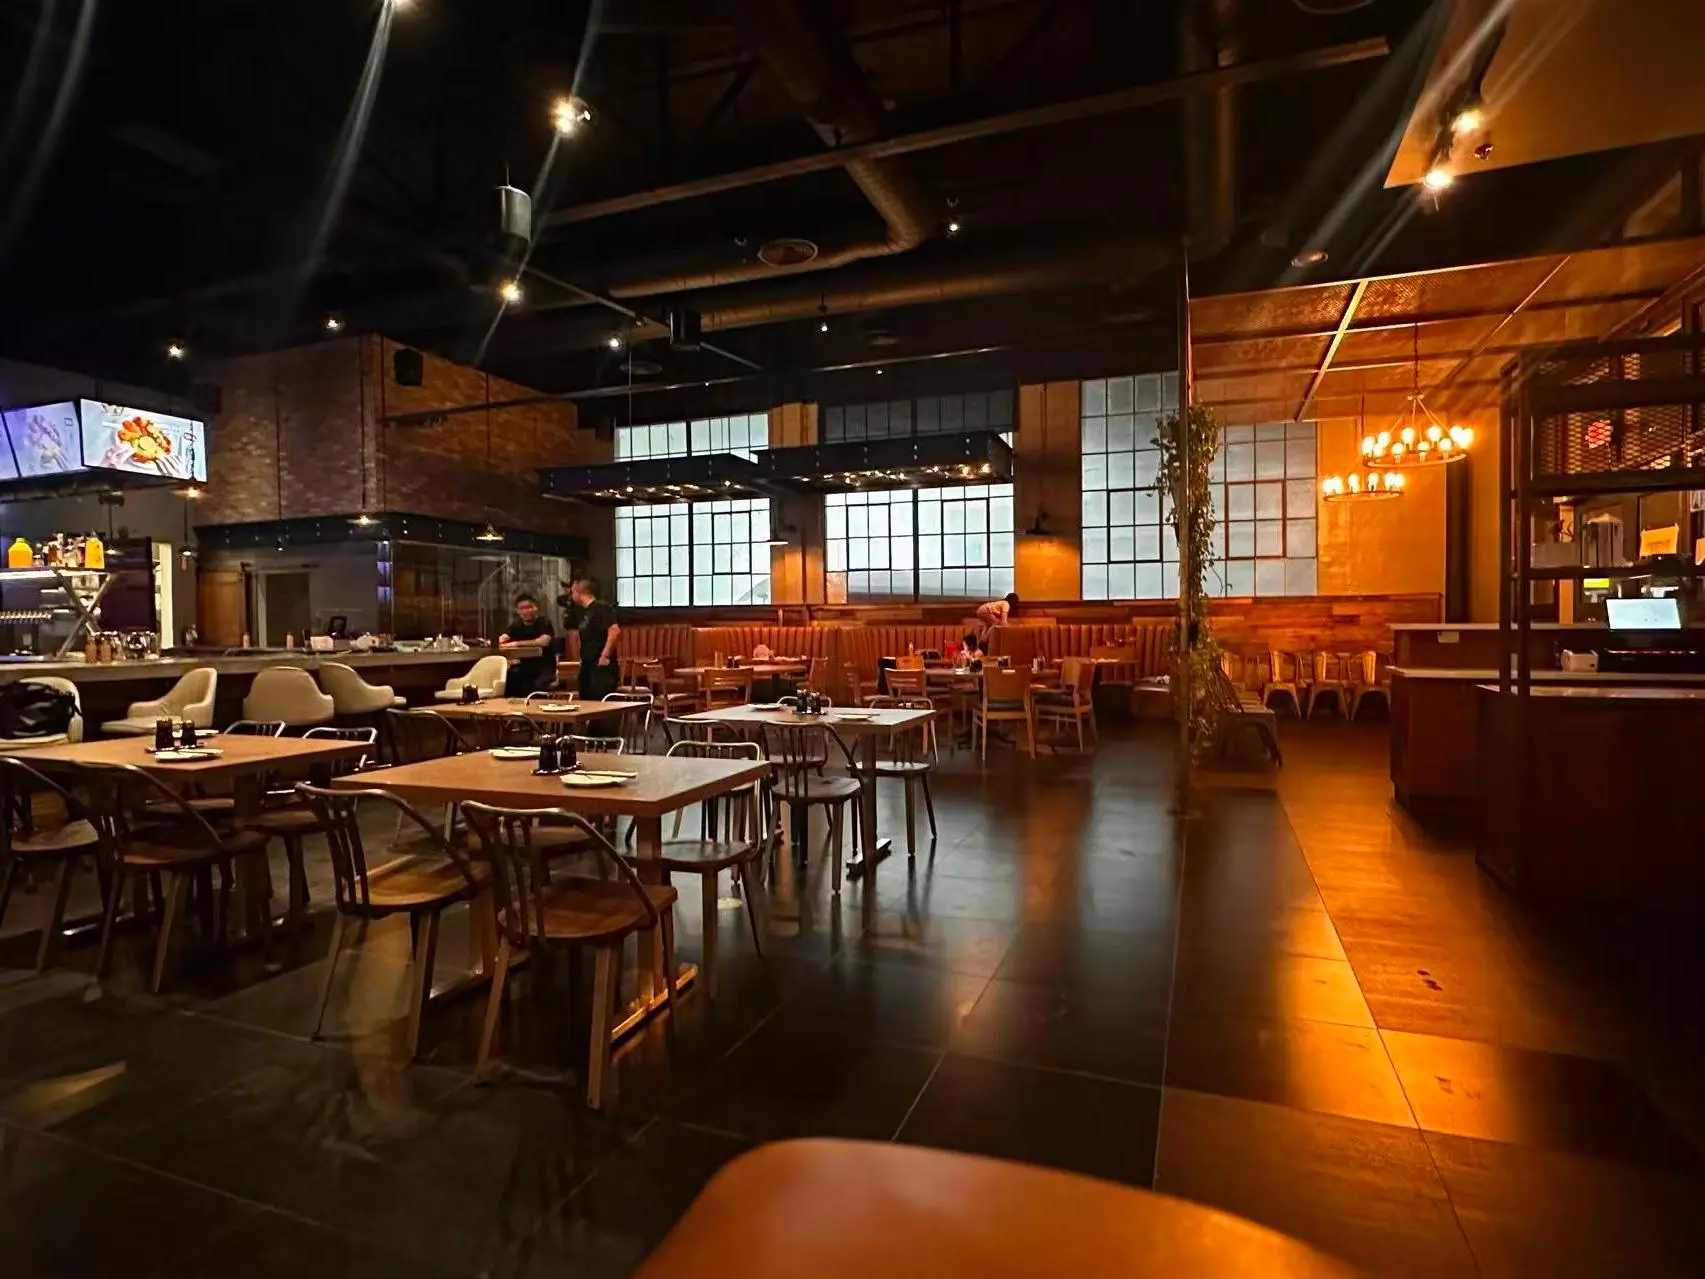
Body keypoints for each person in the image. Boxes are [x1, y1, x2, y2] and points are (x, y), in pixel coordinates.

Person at [572, 576, 621, 702]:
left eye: (572, 592)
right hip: (587, 664)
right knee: (586, 700)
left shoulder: (601, 607)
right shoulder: (583, 612)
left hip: (601, 664)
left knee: (601, 702)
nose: (571, 596)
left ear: (580, 592)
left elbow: (614, 631)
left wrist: (605, 656)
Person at [498, 593, 556, 697]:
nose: (526, 611)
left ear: (535, 608)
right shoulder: (516, 625)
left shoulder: (543, 622)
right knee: (509, 679)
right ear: (517, 611)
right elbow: (502, 639)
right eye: (522, 608)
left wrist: (516, 644)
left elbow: (543, 641)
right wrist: (505, 642)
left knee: (536, 685)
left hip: (543, 667)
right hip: (523, 666)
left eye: (529, 607)